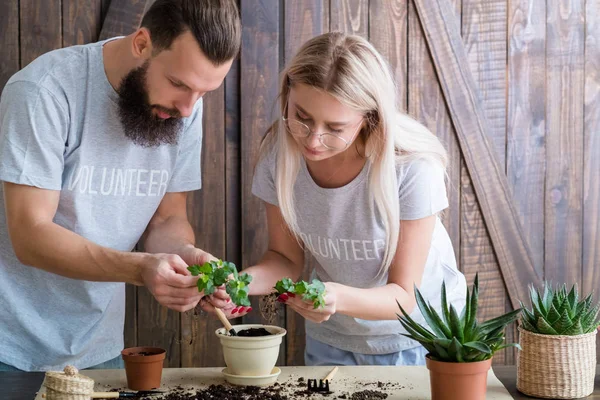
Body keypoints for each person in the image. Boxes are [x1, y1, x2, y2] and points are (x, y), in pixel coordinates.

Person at [0, 0, 240, 371]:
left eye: (204, 92)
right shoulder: (44, 91)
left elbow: (166, 220)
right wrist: (141, 268)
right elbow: (30, 236)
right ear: (142, 43)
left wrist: (186, 258)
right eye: (178, 83)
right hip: (10, 348)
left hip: (101, 347)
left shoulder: (184, 107)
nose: (189, 109)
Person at [241, 32, 467, 366]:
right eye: (301, 116)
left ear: (369, 118)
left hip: (418, 340)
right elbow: (285, 259)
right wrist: (238, 282)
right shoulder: (279, 156)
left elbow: (405, 297)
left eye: (334, 127)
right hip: (331, 339)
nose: (313, 139)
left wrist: (333, 296)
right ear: (288, 92)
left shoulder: (411, 167)